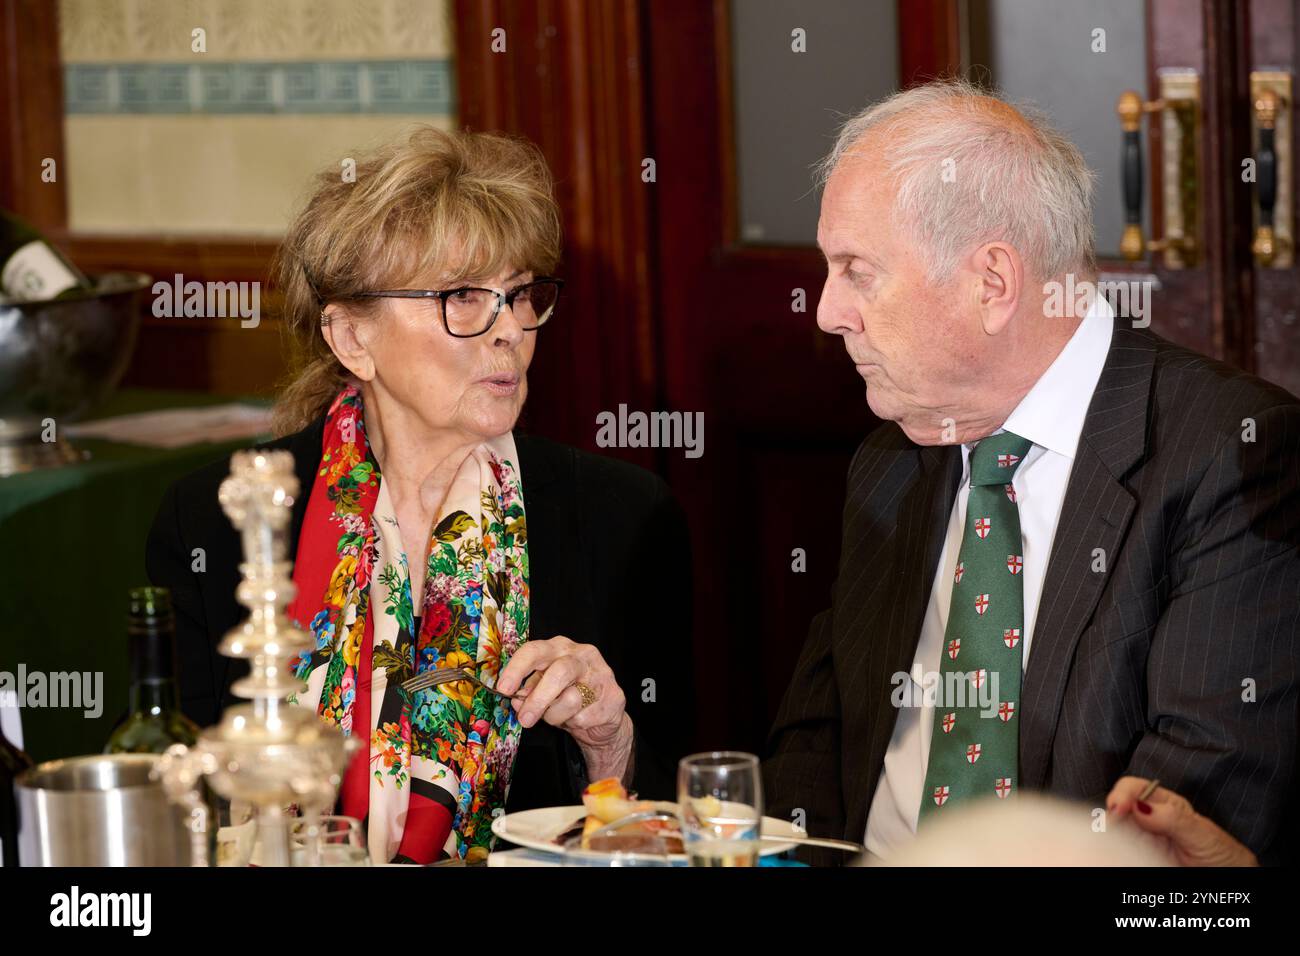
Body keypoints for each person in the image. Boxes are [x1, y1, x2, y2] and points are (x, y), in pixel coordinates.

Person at [763, 80, 1299, 866]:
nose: (827, 311)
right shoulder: (892, 462)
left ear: (993, 283)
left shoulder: (1230, 457)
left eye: (858, 272)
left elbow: (1180, 832)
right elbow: (818, 738)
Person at [146, 126, 693, 864]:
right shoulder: (219, 518)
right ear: (352, 339)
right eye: (462, 298)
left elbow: (693, 822)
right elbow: (177, 808)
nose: (509, 331)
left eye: (520, 294)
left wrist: (612, 746)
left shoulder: (622, 517)